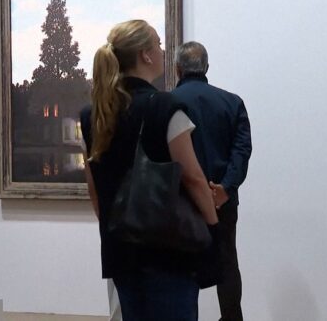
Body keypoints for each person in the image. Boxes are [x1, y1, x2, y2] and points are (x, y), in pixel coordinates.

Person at [79, 20, 220, 321]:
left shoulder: (93, 114)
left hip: (120, 250)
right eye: (158, 44)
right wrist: (212, 228)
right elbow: (193, 178)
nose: (162, 51)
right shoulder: (165, 107)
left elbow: (94, 189)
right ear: (145, 54)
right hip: (168, 250)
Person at [172, 41, 252, 321]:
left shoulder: (168, 104)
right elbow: (241, 151)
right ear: (206, 67)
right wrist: (225, 188)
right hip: (222, 200)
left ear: (178, 68)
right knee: (227, 262)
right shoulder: (232, 102)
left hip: (182, 200)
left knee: (182, 268)